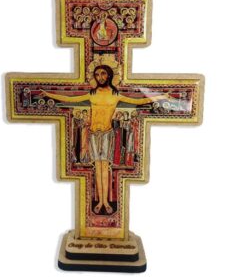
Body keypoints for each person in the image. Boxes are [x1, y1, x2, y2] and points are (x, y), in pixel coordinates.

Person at [41, 65, 172, 215]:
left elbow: (140, 100)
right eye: (97, 74)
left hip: (107, 134)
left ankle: (106, 201)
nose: (100, 77)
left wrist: (161, 96)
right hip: (93, 134)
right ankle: (101, 201)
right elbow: (69, 98)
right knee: (97, 168)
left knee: (105, 168)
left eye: (103, 74)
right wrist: (48, 94)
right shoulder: (92, 94)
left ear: (109, 75)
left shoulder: (116, 95)